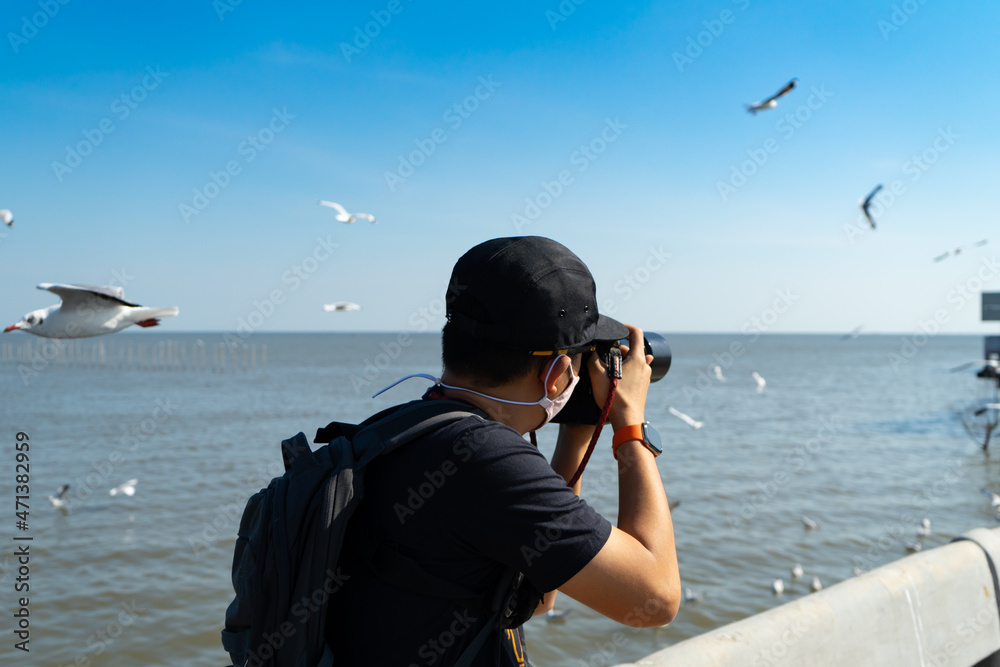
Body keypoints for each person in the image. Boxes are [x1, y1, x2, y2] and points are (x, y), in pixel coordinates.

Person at [326, 236, 679, 666]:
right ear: (556, 374)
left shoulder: (401, 431)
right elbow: (655, 599)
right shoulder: (486, 461)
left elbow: (540, 590)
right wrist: (629, 421)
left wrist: (576, 435)